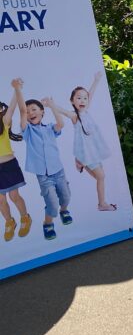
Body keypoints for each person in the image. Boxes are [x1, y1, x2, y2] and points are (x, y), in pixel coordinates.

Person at [50, 73, 116, 212]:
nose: (83, 100)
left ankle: (80, 163)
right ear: (72, 101)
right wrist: (51, 104)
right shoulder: (75, 115)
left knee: (100, 177)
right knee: (101, 176)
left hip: (93, 151)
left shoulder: (85, 111)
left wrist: (96, 80)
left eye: (84, 98)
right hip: (87, 152)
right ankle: (102, 204)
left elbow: (90, 94)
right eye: (78, 98)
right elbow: (63, 111)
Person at [23, 96, 71, 241]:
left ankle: (64, 211)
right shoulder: (27, 131)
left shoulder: (50, 127)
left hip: (58, 170)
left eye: (33, 109)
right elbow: (22, 117)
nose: (30, 113)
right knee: (52, 202)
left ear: (42, 112)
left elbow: (61, 123)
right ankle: (48, 223)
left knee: (66, 197)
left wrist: (52, 105)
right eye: (27, 112)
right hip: (43, 175)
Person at [0, 79, 31, 241]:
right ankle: (9, 222)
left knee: (14, 196)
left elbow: (12, 108)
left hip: (9, 165)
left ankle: (25, 217)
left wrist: (16, 89)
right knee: (0, 200)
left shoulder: (4, 122)